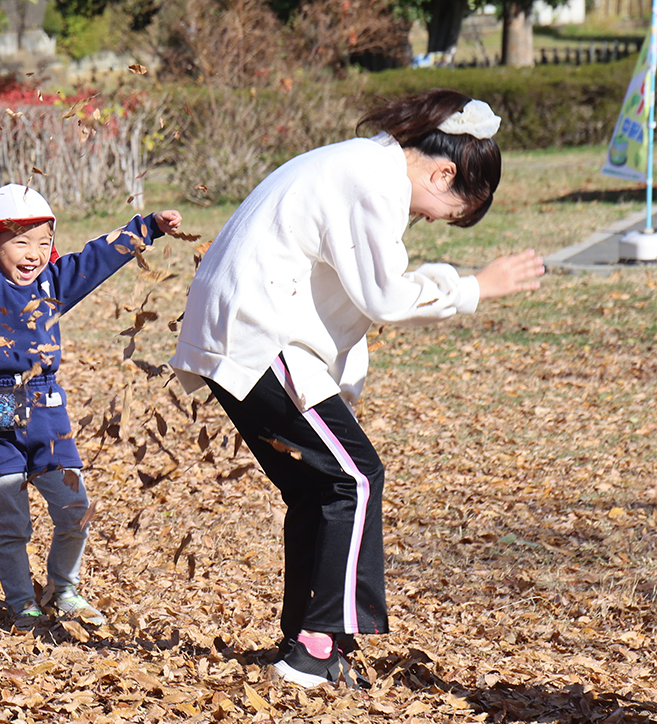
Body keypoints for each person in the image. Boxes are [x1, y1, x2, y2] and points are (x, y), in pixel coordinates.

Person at [169, 89, 545, 688]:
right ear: (444, 171)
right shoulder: (374, 180)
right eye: (442, 211)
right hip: (261, 337)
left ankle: (305, 641)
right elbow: (384, 297)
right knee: (356, 477)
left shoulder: (355, 165)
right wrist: (476, 287)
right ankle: (315, 648)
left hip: (242, 334)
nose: (426, 220)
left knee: (318, 486)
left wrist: (344, 386)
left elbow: (345, 295)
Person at [0, 184, 183, 628]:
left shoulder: (53, 283)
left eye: (43, 242)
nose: (33, 253)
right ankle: (22, 601)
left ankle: (63, 590)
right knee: (13, 520)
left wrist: (149, 227)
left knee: (75, 510)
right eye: (20, 241)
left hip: (47, 410)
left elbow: (98, 258)